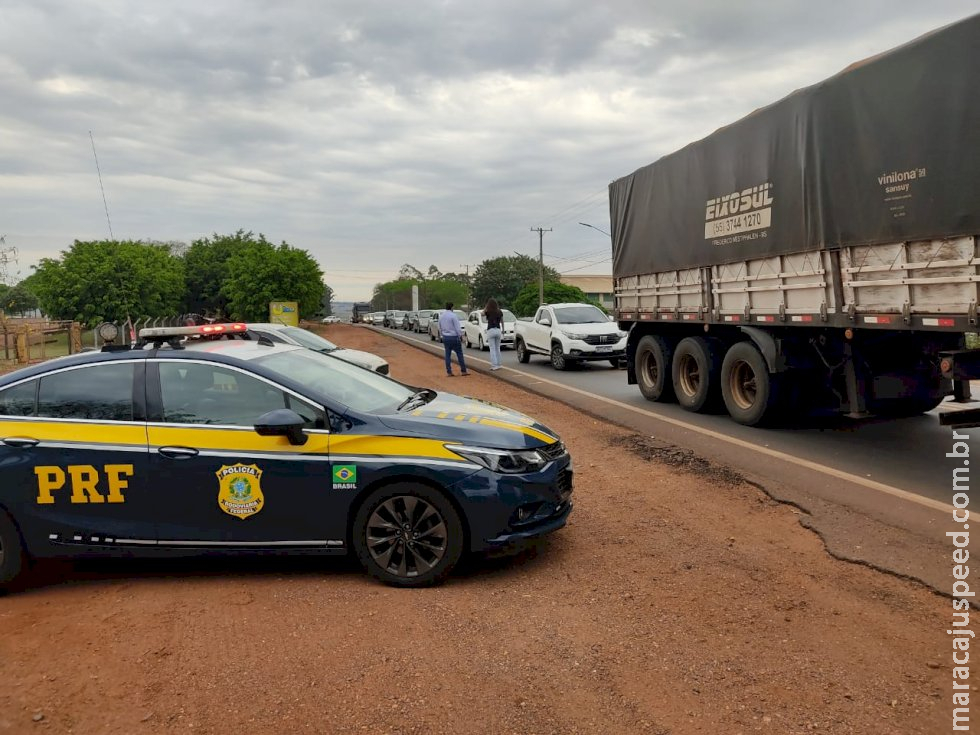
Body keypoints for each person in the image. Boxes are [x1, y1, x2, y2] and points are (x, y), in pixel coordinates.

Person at [437, 302, 468, 376]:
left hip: (446, 337)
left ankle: (449, 371)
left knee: (447, 354)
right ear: (452, 307)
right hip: (454, 337)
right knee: (459, 354)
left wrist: (442, 334)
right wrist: (460, 336)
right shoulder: (453, 316)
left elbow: (439, 327)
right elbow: (457, 328)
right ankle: (463, 370)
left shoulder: (441, 316)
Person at [484, 297, 504, 371]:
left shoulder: (488, 311)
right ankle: (499, 364)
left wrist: (486, 307)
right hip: (498, 330)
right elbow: (502, 321)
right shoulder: (499, 311)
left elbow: (482, 313)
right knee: (497, 348)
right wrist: (503, 330)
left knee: (492, 349)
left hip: (491, 330)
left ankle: (494, 365)